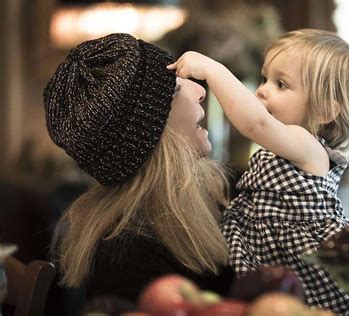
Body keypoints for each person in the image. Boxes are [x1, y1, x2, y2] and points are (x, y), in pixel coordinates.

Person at [168, 29, 349, 314]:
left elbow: (256, 124)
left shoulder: (309, 147)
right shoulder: (285, 148)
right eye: (264, 79)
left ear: (325, 110)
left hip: (304, 266)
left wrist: (214, 71)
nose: (262, 90)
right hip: (270, 261)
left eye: (281, 84)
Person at [44, 33, 234, 303]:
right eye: (176, 89)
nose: (200, 90)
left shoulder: (221, 189)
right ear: (151, 135)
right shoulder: (131, 258)